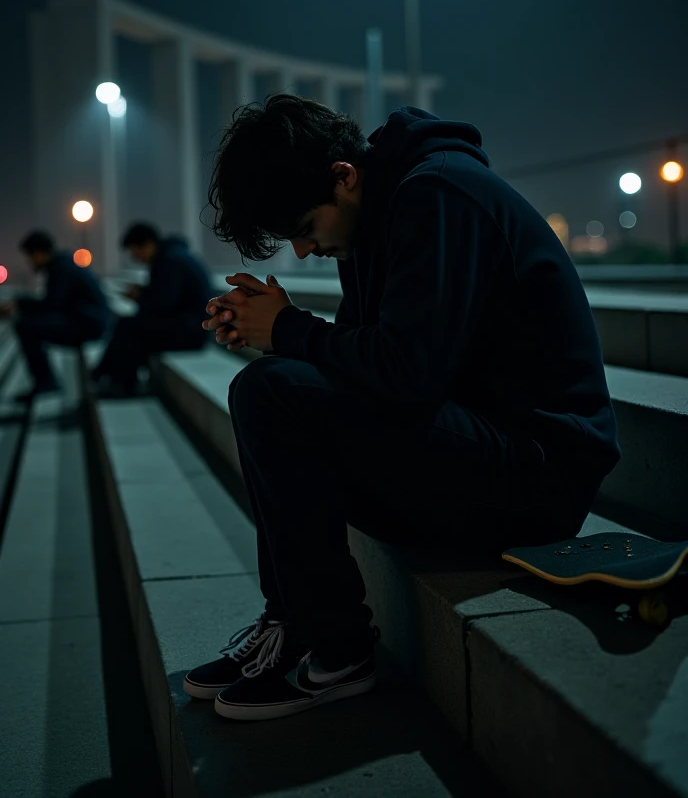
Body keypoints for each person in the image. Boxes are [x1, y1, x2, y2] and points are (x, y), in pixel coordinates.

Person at [183, 93, 621, 723]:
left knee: (270, 393)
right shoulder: (376, 218)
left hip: (537, 477)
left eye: (306, 229)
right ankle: (292, 621)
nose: (304, 252)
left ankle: (339, 649)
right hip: (472, 446)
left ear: (343, 175)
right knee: (273, 390)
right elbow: (367, 368)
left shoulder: (440, 194)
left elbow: (406, 374)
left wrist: (289, 332)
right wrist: (270, 330)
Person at [91, 223, 213, 397]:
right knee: (129, 325)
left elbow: (163, 304)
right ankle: (108, 376)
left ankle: (117, 381)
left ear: (147, 245)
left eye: (135, 252)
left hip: (190, 333)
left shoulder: (170, 261)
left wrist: (139, 297)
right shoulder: (172, 257)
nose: (136, 258)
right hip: (188, 327)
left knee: (129, 328)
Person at [0, 230, 109, 401]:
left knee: (25, 327)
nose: (29, 263)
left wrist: (19, 304)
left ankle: (46, 382)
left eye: (30, 257)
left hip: (88, 325)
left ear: (38, 254)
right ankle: (45, 381)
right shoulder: (62, 264)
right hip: (87, 321)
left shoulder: (61, 268)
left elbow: (52, 305)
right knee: (28, 325)